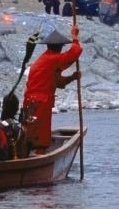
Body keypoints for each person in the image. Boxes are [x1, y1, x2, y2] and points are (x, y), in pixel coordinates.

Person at [22, 26, 82, 155]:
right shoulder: (52, 59)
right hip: (40, 101)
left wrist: (71, 78)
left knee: (31, 131)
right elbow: (74, 53)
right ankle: (39, 156)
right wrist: (75, 36)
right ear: (60, 47)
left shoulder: (45, 59)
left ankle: (29, 153)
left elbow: (55, 81)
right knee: (41, 134)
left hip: (31, 100)